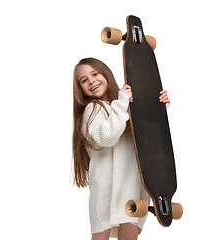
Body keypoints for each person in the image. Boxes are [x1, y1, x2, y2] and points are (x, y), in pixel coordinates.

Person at [72, 57, 170, 240]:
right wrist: (122, 103)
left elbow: (151, 133)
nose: (91, 80)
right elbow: (107, 137)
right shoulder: (93, 109)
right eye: (84, 80)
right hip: (106, 190)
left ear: (106, 73)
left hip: (131, 185)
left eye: (95, 73)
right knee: (100, 236)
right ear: (81, 89)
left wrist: (158, 105)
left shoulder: (123, 107)